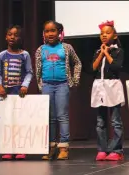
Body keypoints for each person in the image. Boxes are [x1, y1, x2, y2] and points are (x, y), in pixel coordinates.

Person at [35, 21, 82, 160]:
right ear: (44, 33)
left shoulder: (66, 48)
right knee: (50, 117)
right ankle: (51, 146)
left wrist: (74, 80)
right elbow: (38, 69)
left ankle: (64, 146)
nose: (50, 34)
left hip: (62, 85)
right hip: (47, 85)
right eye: (47, 31)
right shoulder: (40, 50)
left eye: (53, 30)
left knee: (62, 115)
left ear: (59, 32)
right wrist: (40, 85)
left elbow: (77, 63)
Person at [0, 25, 33, 160]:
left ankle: (20, 148)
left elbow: (29, 72)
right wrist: (0, 86)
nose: (12, 37)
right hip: (6, 92)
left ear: (20, 38)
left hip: (19, 93)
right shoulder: (2, 55)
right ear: (6, 37)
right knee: (7, 121)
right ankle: (7, 148)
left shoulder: (24, 55)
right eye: (10, 34)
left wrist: (25, 85)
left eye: (16, 35)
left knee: (19, 121)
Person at [91, 20, 125, 161]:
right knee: (100, 121)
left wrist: (108, 53)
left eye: (107, 33)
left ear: (115, 35)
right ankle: (102, 149)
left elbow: (117, 67)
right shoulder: (98, 51)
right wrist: (101, 53)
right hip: (100, 86)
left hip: (113, 86)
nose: (104, 35)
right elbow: (93, 68)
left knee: (115, 121)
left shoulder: (118, 51)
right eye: (102, 33)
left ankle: (117, 150)